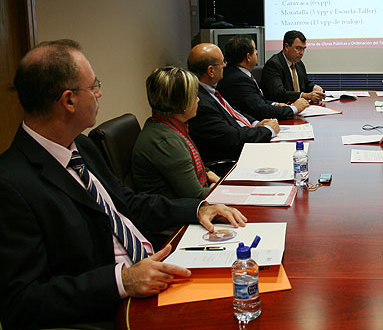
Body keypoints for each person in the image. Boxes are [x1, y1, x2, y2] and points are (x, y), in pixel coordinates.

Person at [0, 39, 247, 329]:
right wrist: (121, 281)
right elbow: (21, 303)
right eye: (94, 86)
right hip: (115, 308)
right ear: (68, 100)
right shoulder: (11, 183)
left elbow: (127, 203)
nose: (100, 93)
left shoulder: (80, 145)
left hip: (154, 265)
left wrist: (198, 209)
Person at [132, 67, 220, 199]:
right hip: (180, 215)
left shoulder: (165, 125)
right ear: (181, 103)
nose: (198, 100)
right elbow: (196, 196)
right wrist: (221, 188)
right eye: (193, 96)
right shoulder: (166, 141)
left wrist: (208, 173)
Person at [187, 43, 279, 163]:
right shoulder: (200, 102)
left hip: (248, 140)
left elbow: (234, 112)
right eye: (221, 63)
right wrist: (267, 130)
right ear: (211, 71)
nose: (225, 65)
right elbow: (231, 138)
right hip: (235, 159)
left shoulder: (210, 90)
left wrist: (255, 123)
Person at [217, 35, 309, 120]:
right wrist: (294, 108)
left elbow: (258, 100)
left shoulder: (238, 74)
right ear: (248, 57)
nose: (257, 52)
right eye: (255, 49)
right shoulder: (237, 80)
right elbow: (261, 110)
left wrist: (275, 104)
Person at [260, 30, 325, 103]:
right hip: (281, 109)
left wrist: (314, 87)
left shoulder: (299, 63)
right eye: (298, 48)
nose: (302, 53)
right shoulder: (274, 64)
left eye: (304, 49)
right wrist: (304, 96)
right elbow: (278, 93)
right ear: (286, 47)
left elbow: (305, 84)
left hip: (300, 107)